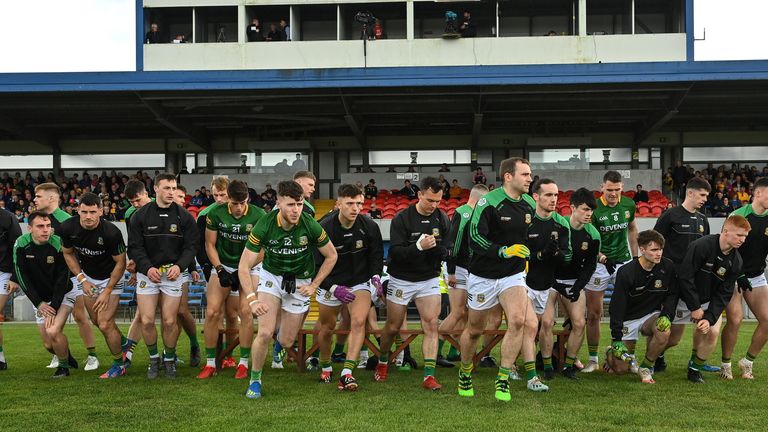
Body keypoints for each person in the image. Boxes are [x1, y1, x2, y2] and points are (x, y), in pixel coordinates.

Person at [239, 180, 337, 399]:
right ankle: (255, 380)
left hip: (301, 281)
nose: (296, 210)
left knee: (286, 341)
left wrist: (314, 285)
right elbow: (244, 266)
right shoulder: (264, 225)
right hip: (272, 277)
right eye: (291, 204)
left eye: (300, 204)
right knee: (264, 332)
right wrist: (252, 299)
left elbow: (332, 255)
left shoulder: (309, 224)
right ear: (279, 202)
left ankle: (279, 346)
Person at [459, 157, 546, 401]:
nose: (530, 179)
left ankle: (503, 378)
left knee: (518, 321)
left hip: (513, 274)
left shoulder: (529, 203)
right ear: (508, 176)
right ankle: (465, 371)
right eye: (525, 174)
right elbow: (474, 237)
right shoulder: (488, 202)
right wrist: (503, 250)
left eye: (530, 174)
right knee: (475, 329)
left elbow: (528, 236)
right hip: (482, 274)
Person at [375, 177, 451, 391]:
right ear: (419, 195)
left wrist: (441, 251)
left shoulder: (442, 218)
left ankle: (429, 376)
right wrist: (418, 247)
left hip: (429, 279)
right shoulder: (402, 218)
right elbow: (396, 253)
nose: (433, 206)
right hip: (402, 278)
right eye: (429, 200)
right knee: (393, 326)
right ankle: (382, 362)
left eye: (437, 201)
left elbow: (448, 246)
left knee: (431, 324)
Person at [128, 173, 199, 379]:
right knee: (147, 320)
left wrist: (180, 266)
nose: (171, 192)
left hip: (173, 276)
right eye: (167, 188)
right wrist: (147, 267)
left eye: (174, 188)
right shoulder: (140, 216)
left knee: (169, 321)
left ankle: (169, 360)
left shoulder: (184, 216)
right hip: (147, 275)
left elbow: (191, 246)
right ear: (156, 189)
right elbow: (135, 247)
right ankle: (153, 359)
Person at [315, 184, 383, 390]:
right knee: (326, 328)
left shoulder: (369, 226)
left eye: (359, 203)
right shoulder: (323, 227)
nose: (355, 208)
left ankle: (347, 372)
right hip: (330, 283)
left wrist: (375, 276)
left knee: (359, 321)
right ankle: (325, 365)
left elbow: (376, 255)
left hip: (358, 282)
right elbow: (315, 266)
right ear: (338, 204)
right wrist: (332, 287)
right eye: (350, 203)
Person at [197, 180, 266, 380]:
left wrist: (243, 269)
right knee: (212, 311)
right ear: (228, 198)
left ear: (248, 199)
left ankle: (243, 363)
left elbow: (263, 249)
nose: (238, 208)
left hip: (250, 265)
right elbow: (210, 244)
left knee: (246, 311)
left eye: (242, 203)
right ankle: (210, 363)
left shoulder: (259, 215)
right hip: (224, 264)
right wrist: (219, 269)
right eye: (234, 203)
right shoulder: (215, 214)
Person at [59, 193, 128, 379]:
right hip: (88, 278)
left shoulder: (111, 232)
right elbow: (68, 253)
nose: (88, 216)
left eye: (92, 212)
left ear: (100, 210)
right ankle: (124, 342)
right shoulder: (67, 228)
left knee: (105, 324)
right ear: (77, 210)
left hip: (111, 278)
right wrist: (82, 279)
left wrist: (107, 291)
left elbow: (121, 263)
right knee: (98, 321)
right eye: (84, 212)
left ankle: (119, 364)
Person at [34, 183, 99, 371]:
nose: (35, 199)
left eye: (38, 196)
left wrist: (79, 275)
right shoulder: (40, 220)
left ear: (52, 198)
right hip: (51, 279)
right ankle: (60, 354)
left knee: (80, 315)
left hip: (72, 277)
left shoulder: (66, 220)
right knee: (53, 322)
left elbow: (75, 250)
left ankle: (92, 355)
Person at [676, 216, 749, 383]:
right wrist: (695, 307)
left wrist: (709, 318)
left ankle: (694, 369)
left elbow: (724, 293)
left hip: (709, 300)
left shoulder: (736, 261)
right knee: (669, 338)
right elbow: (686, 277)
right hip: (683, 297)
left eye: (745, 236)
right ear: (725, 231)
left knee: (712, 332)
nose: (742, 240)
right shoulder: (702, 246)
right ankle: (655, 359)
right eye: (739, 235)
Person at [653, 177, 712, 372]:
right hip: (671, 281)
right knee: (669, 332)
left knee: (678, 337)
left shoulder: (703, 220)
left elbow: (706, 251)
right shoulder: (670, 215)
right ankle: (654, 357)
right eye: (702, 195)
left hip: (692, 283)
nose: (705, 199)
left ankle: (695, 362)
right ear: (690, 193)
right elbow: (654, 244)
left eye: (707, 196)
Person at [582, 171, 638, 372]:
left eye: (617, 189)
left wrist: (636, 257)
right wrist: (603, 258)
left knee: (631, 310)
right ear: (602, 187)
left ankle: (629, 357)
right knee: (594, 313)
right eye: (610, 189)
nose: (613, 194)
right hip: (599, 265)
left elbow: (632, 228)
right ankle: (593, 359)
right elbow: (590, 240)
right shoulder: (594, 210)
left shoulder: (629, 205)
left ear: (622, 187)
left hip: (623, 261)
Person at [606, 230, 677, 384]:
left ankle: (646, 366)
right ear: (642, 250)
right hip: (628, 318)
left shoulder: (668, 266)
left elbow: (672, 295)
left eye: (660, 249)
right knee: (619, 370)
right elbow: (617, 307)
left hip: (650, 316)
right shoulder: (626, 272)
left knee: (663, 329)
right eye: (654, 250)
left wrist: (666, 315)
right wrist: (617, 337)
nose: (659, 253)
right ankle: (610, 351)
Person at [14, 212, 79, 377]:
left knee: (53, 331)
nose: (45, 230)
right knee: (48, 344)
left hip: (64, 293)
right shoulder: (21, 245)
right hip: (41, 300)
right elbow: (23, 278)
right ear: (30, 228)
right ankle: (67, 355)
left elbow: (62, 279)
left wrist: (53, 306)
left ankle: (63, 368)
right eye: (40, 226)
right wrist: (39, 304)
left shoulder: (58, 244)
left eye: (48, 226)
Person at [522, 179, 572, 383]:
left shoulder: (561, 223)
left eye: (556, 195)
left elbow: (568, 257)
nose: (554, 199)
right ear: (536, 197)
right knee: (527, 326)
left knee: (547, 324)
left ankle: (548, 365)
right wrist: (541, 255)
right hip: (524, 282)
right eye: (548, 195)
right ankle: (524, 368)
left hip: (548, 282)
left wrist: (558, 253)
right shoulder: (525, 221)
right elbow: (520, 255)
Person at [720, 178, 768, 380]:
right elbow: (724, 248)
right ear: (758, 193)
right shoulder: (738, 215)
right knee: (735, 319)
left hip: (756, 276)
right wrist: (738, 274)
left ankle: (747, 362)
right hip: (733, 276)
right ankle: (726, 364)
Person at [551, 188, 600, 379]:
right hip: (550, 281)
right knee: (543, 322)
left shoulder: (593, 235)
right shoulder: (557, 226)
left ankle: (568, 365)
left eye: (591, 210)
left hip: (573, 281)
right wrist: (555, 284)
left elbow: (590, 266)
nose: (589, 214)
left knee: (579, 323)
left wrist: (578, 287)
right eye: (585, 209)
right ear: (572, 208)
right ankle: (542, 361)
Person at [439, 184, 489, 366]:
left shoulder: (474, 215)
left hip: (468, 269)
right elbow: (454, 243)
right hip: (457, 268)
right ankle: (436, 351)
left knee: (468, 313)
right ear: (480, 199)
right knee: (458, 311)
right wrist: (451, 271)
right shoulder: (463, 212)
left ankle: (454, 351)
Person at [196, 177, 239, 369]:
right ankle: (214, 356)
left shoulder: (243, 213)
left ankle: (229, 355)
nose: (219, 199)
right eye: (216, 195)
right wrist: (207, 267)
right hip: (215, 269)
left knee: (232, 314)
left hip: (238, 269)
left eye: (223, 195)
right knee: (215, 312)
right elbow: (200, 245)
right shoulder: (205, 214)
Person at [172, 185, 202, 367]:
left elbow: (188, 247)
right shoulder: (152, 214)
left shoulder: (185, 218)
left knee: (181, 311)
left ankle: (194, 344)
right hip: (158, 273)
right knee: (169, 316)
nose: (183, 200)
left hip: (180, 270)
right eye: (180, 196)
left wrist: (191, 268)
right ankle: (170, 353)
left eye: (184, 197)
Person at [0, 206, 21, 370]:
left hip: (4, 273)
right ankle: (0, 357)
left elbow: (18, 247)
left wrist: (15, 277)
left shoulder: (8, 218)